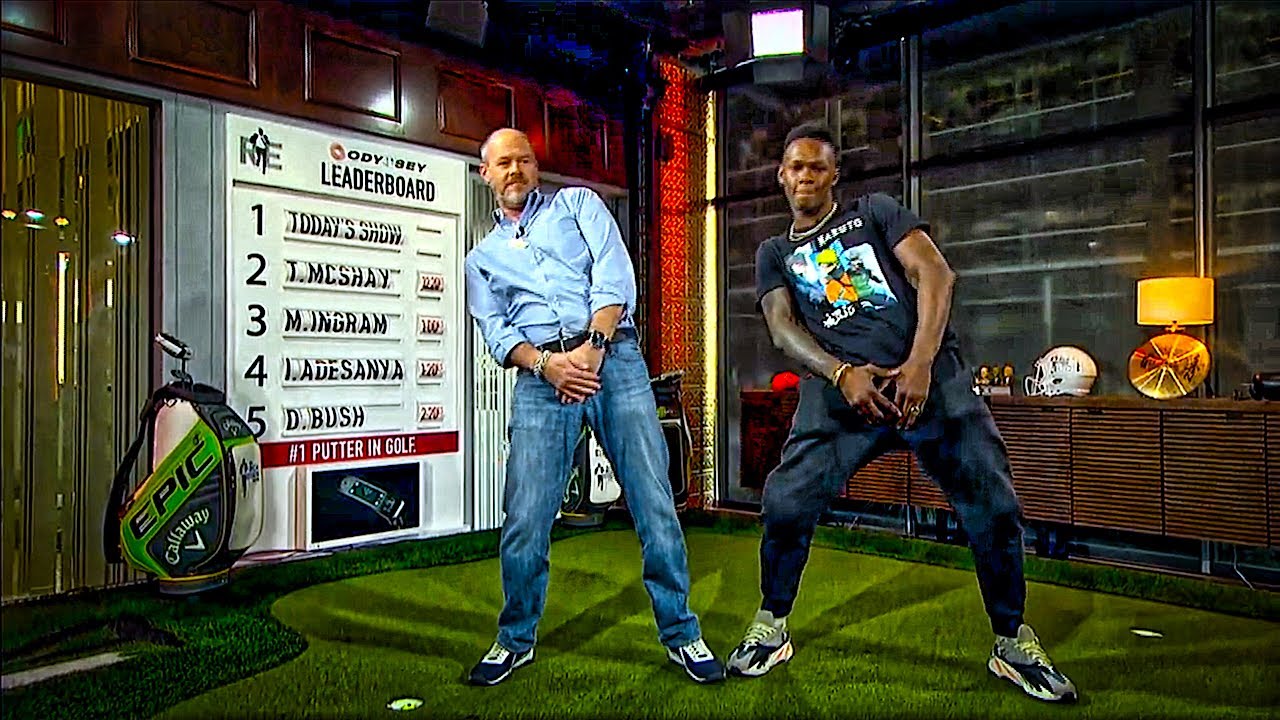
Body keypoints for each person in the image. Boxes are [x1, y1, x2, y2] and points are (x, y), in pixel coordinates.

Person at [726, 122, 1077, 704]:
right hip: (842, 394)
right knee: (785, 502)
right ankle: (773, 622)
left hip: (928, 381)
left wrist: (920, 362)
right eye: (796, 167)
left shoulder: (875, 212)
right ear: (781, 176)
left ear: (834, 175)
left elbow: (934, 272)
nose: (806, 176)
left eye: (817, 167)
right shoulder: (775, 253)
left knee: (994, 506)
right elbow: (782, 328)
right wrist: (841, 373)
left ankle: (1012, 640)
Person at [463, 128, 724, 686]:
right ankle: (515, 639)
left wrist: (591, 351)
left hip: (615, 359)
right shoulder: (480, 260)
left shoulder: (578, 204)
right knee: (526, 515)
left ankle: (682, 632)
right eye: (503, 163)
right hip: (542, 378)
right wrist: (548, 366)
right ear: (486, 174)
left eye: (524, 160)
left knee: (653, 500)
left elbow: (613, 275)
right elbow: (497, 332)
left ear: (535, 167)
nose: (515, 170)